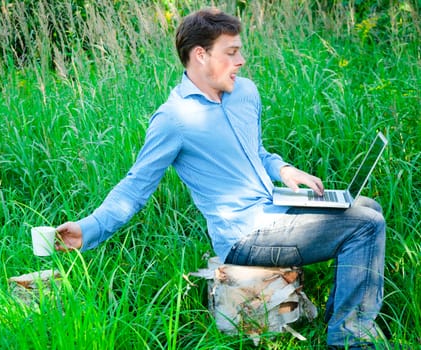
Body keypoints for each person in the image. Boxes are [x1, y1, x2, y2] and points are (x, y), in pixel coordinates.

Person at [55, 8, 386, 349]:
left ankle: (343, 322)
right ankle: (350, 340)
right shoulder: (174, 119)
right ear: (200, 55)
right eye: (231, 52)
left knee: (368, 207)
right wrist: (88, 228)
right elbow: (135, 187)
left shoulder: (245, 93)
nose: (241, 60)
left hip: (274, 208)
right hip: (244, 237)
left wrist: (285, 170)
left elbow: (255, 151)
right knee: (364, 224)